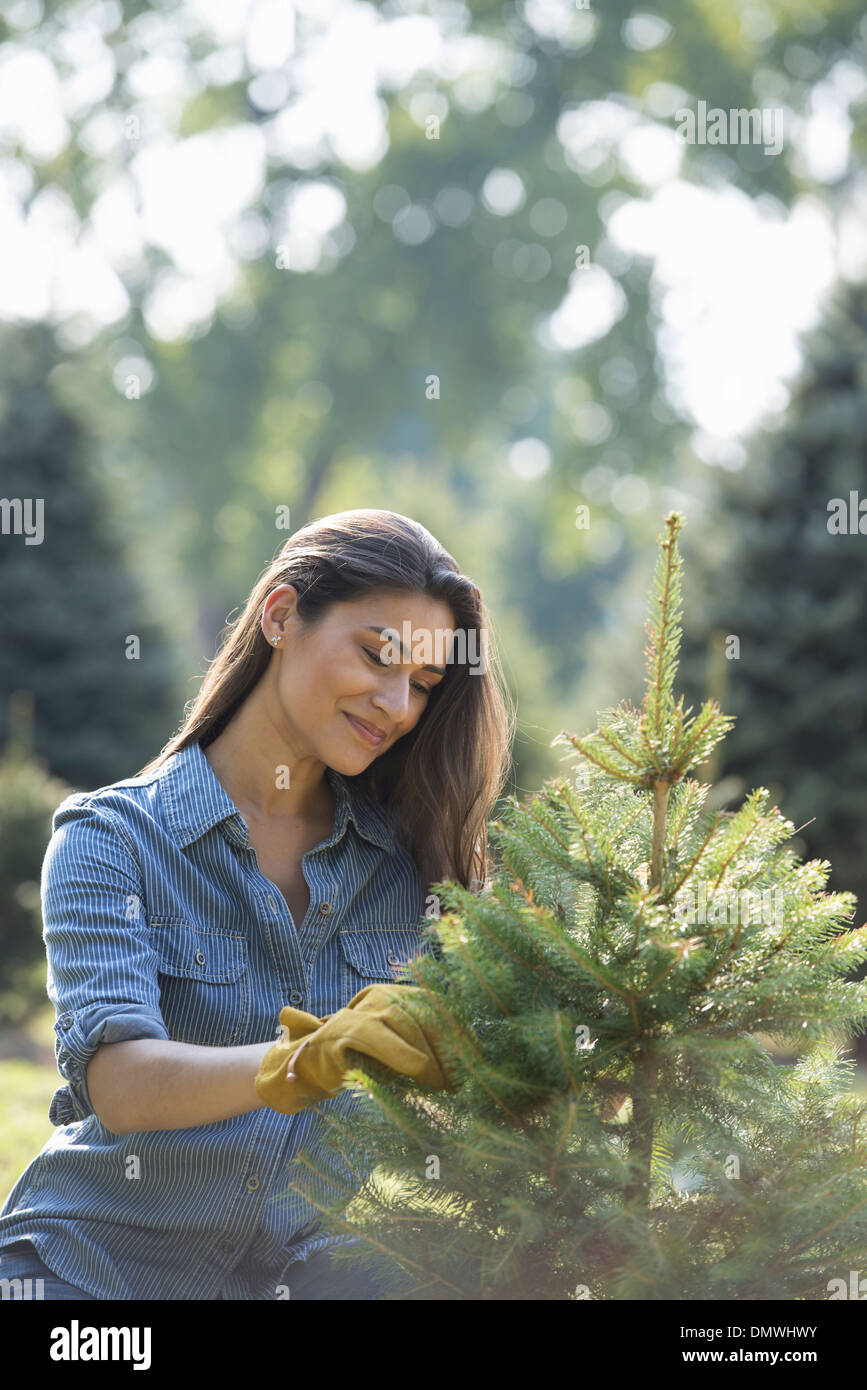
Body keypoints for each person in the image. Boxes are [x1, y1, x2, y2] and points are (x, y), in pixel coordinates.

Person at [0, 509, 513, 1299]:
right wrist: (308, 1060)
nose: (396, 704)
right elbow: (123, 1085)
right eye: (377, 657)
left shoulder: (416, 869)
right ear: (280, 615)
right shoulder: (112, 840)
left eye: (421, 684)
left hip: (300, 1275)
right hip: (93, 1270)